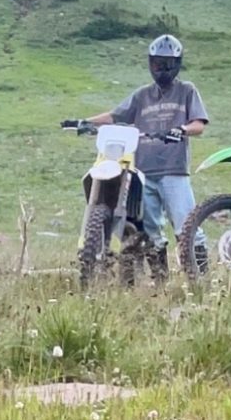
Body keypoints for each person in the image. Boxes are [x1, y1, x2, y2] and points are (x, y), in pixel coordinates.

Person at [62, 34, 209, 281]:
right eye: (157, 64)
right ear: (150, 64)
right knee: (150, 229)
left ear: (177, 65)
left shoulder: (186, 91)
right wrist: (84, 122)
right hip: (144, 173)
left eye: (167, 64)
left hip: (174, 170)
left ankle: (202, 278)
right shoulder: (142, 95)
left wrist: (181, 129)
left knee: (186, 225)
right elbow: (115, 116)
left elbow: (199, 124)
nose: (161, 69)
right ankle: (161, 280)